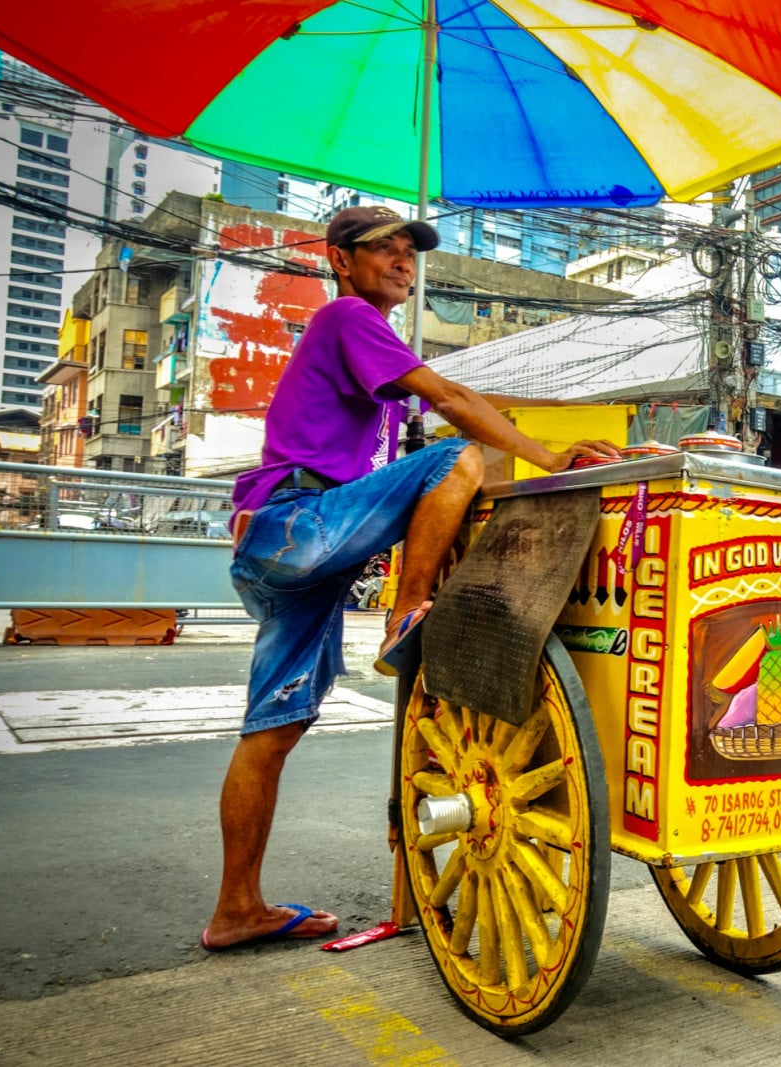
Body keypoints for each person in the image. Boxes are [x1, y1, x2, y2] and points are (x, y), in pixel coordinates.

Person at [201, 206, 619, 951]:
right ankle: (408, 611)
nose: (402, 261)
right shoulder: (347, 319)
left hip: (286, 542)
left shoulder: (363, 338)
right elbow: (453, 402)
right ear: (340, 260)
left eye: (408, 252)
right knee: (456, 457)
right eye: (382, 250)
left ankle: (236, 906)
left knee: (273, 728)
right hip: (296, 522)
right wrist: (549, 457)